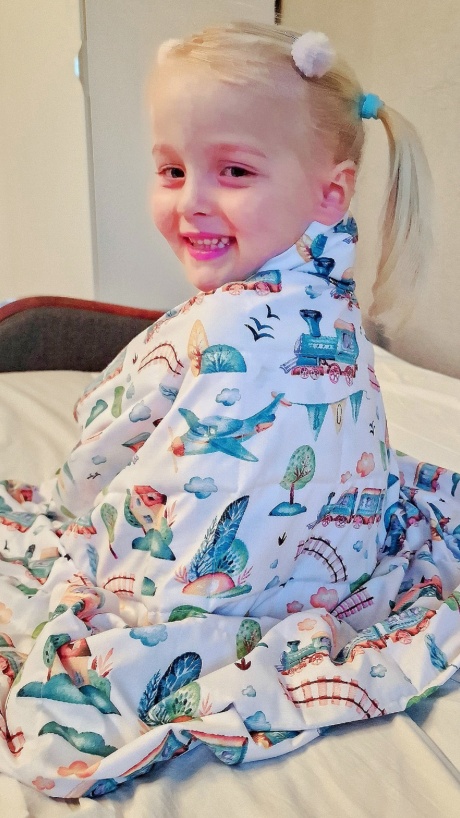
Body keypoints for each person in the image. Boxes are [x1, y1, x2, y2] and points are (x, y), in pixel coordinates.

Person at [0, 22, 459, 799]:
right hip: (338, 559)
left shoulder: (216, 327)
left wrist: (75, 504)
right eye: (172, 170)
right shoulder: (337, 307)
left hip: (214, 587)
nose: (192, 202)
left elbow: (107, 440)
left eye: (235, 171)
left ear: (330, 192)